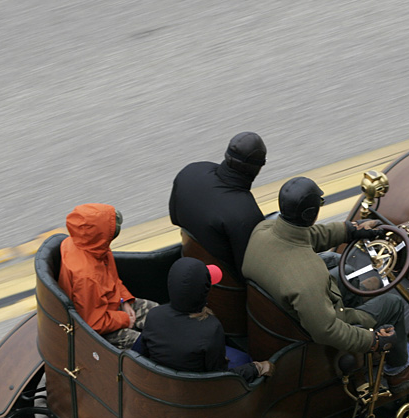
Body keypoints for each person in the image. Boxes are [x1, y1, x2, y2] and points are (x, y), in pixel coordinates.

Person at [242, 177, 409, 391]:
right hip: (313, 326)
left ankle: (362, 301)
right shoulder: (308, 276)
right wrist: (372, 341)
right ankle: (400, 369)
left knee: (343, 267)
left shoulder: (263, 229)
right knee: (392, 303)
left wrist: (351, 230)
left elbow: (309, 236)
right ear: (310, 214)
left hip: (280, 312)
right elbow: (327, 331)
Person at [140, 257, 273, 382]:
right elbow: (218, 377)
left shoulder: (154, 314)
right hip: (197, 391)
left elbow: (145, 355)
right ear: (203, 292)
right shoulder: (211, 328)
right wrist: (254, 369)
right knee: (244, 358)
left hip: (162, 384)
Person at [168, 132, 267, 279]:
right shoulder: (246, 214)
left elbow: (175, 219)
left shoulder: (189, 172)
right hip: (225, 291)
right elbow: (249, 273)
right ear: (258, 168)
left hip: (189, 266)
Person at [58, 203, 157, 348]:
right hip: (99, 327)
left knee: (158, 315)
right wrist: (125, 320)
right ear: (100, 235)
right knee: (148, 344)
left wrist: (125, 300)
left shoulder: (92, 245)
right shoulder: (86, 276)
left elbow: (112, 278)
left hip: (111, 307)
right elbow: (94, 322)